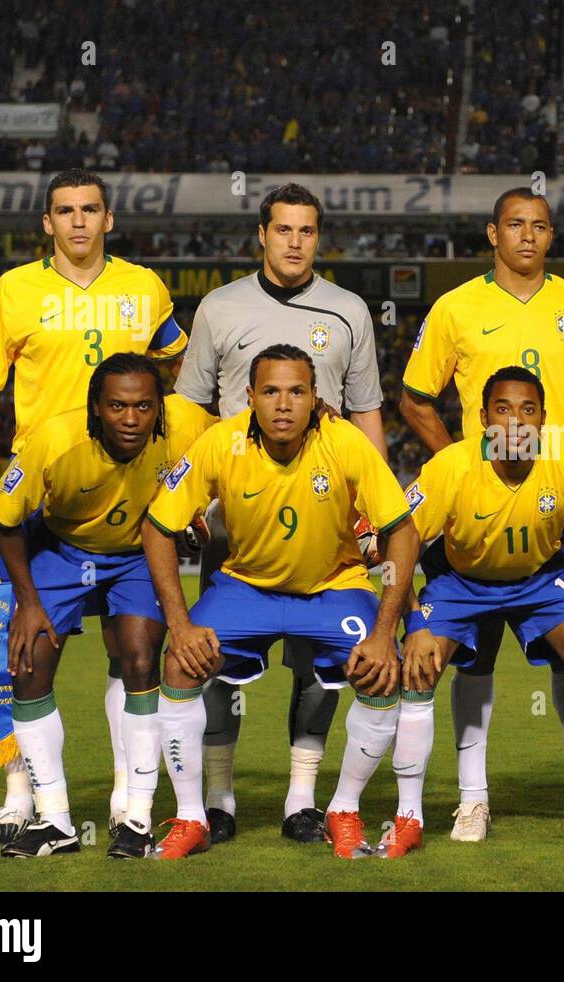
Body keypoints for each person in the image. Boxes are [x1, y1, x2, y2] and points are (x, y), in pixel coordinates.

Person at [0, 168, 188, 845]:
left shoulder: (144, 286)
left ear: (109, 219)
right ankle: (20, 798)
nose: (79, 222)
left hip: (127, 496)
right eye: (65, 211)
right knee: (26, 653)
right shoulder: (14, 290)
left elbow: (173, 373)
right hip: (41, 499)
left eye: (91, 209)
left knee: (136, 651)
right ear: (47, 224)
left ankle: (129, 800)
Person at [399, 187, 564, 840]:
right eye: (515, 225)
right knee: (473, 656)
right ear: (492, 234)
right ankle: (473, 798)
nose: (528, 236)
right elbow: (415, 399)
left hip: (549, 498)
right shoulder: (456, 306)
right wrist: (462, 465)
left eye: (540, 226)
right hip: (473, 507)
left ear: (552, 236)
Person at [141, 344, 419, 860]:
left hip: (334, 587)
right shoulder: (219, 442)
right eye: (270, 392)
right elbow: (157, 528)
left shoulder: (346, 442)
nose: (283, 404)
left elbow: (402, 531)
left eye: (297, 392)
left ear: (316, 398)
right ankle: (192, 816)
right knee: (180, 664)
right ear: (250, 397)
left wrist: (383, 633)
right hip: (246, 587)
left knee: (383, 672)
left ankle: (342, 808)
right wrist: (179, 625)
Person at [174, 182, 388, 844]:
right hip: (238, 518)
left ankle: (302, 795)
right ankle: (218, 797)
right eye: (284, 229)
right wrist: (188, 496)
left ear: (318, 238)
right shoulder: (218, 308)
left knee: (318, 664)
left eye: (307, 231)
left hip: (326, 520)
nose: (295, 241)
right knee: (211, 660)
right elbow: (190, 408)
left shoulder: (350, 311)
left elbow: (365, 412)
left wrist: (376, 512)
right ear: (261, 236)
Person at [384, 366, 564, 857]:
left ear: (544, 418)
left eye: (528, 410)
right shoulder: (451, 466)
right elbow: (398, 540)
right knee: (415, 672)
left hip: (541, 580)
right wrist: (414, 622)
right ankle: (413, 815)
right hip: (462, 583)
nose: (516, 422)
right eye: (504, 409)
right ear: (483, 418)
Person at [0, 354, 212, 858]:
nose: (131, 419)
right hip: (58, 548)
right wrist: (26, 601)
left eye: (143, 406)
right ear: (95, 408)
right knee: (29, 666)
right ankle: (54, 821)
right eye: (117, 406)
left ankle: (136, 817)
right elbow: (1, 516)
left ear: (160, 408)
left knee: (140, 659)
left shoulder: (188, 425)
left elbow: (241, 439)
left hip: (137, 554)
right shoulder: (54, 440)